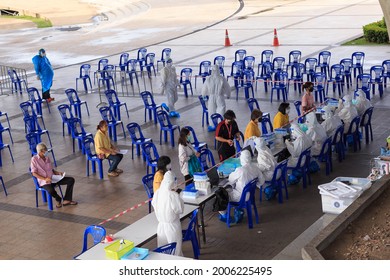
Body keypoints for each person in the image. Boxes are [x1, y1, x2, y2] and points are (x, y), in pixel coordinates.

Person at [219, 150, 265, 221]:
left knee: (221, 194)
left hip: (240, 197)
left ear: (241, 159)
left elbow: (231, 179)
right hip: (250, 195)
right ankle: (238, 211)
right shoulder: (255, 167)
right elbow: (262, 181)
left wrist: (234, 172)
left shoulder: (240, 170)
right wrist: (255, 185)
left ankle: (224, 215)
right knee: (233, 189)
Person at [31, 142, 77, 208]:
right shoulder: (34, 159)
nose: (46, 152)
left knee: (71, 180)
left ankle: (67, 199)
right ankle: (58, 199)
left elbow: (51, 169)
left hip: (53, 178)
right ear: (41, 151)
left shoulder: (47, 158)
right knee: (50, 190)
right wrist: (45, 179)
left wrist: (57, 173)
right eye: (45, 150)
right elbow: (34, 173)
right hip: (44, 181)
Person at [151, 170, 184, 256]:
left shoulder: (157, 193)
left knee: (163, 251)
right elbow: (179, 210)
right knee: (175, 251)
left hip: (161, 226)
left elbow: (153, 204)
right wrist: (179, 198)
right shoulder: (173, 195)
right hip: (173, 226)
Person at [201, 64, 231, 131]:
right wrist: (228, 94)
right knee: (221, 109)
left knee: (211, 110)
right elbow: (227, 87)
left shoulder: (208, 78)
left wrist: (203, 95)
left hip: (211, 97)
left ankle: (212, 125)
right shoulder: (221, 78)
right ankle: (220, 124)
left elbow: (204, 88)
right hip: (219, 96)